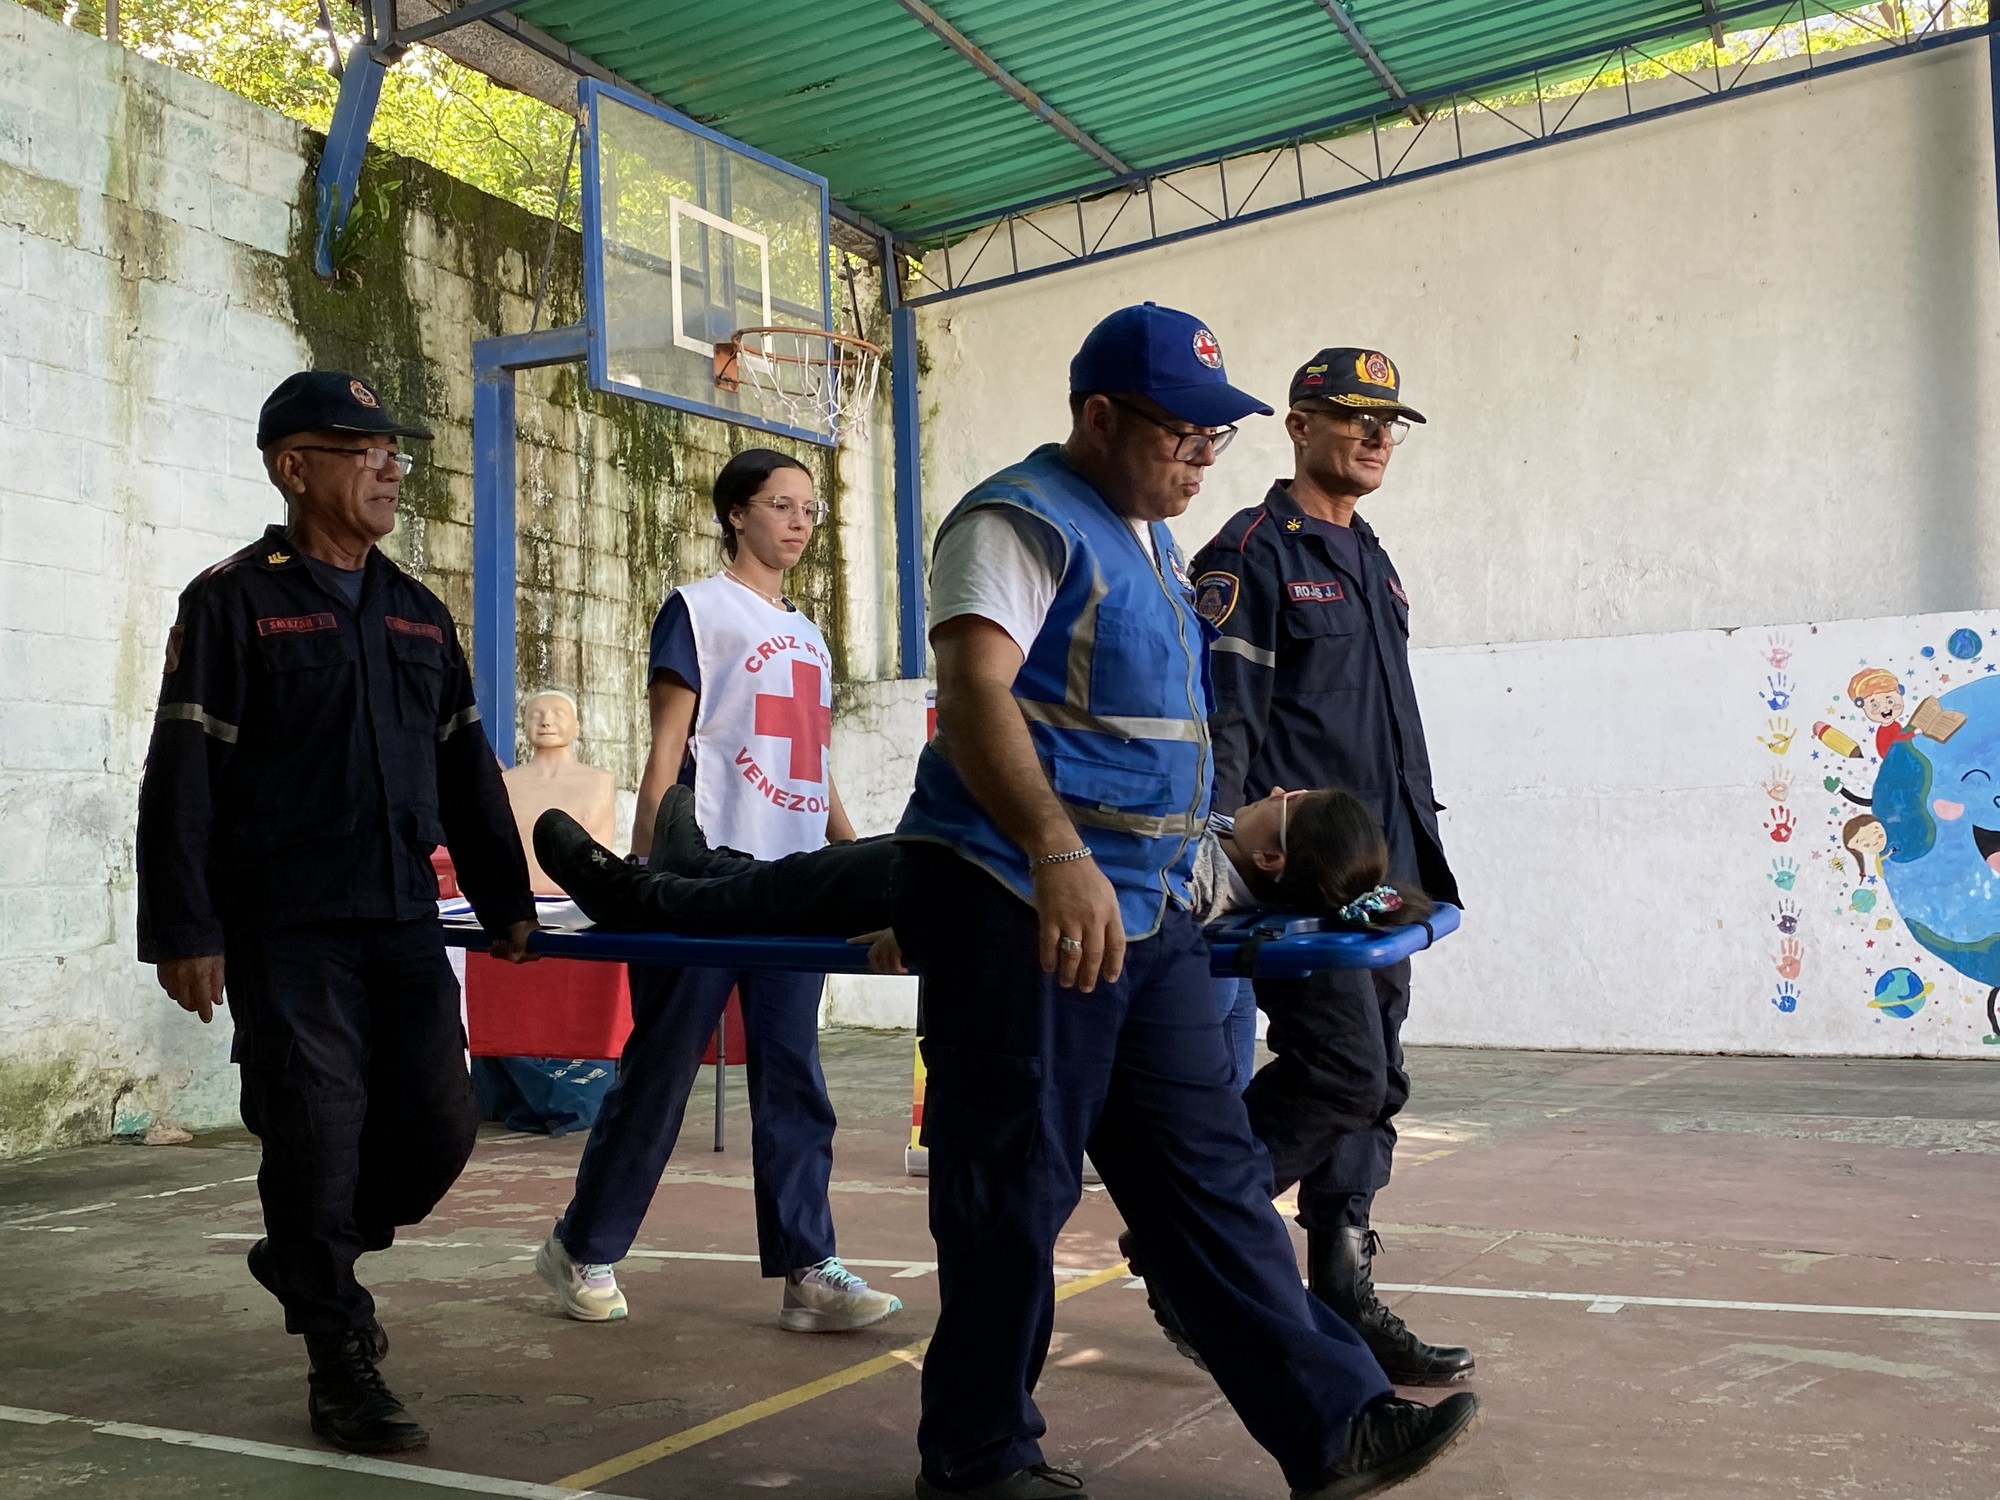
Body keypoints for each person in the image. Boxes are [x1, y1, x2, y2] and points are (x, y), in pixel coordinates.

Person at [890, 304, 1479, 1500]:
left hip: (1143, 913)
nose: (1201, 455)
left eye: (1216, 435)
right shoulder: (1022, 519)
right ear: (1098, 416)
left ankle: (1335, 1427)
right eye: (1180, 433)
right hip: (1022, 903)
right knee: (1011, 1190)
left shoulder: (1152, 542)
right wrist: (1056, 856)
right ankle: (977, 1458)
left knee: (1208, 1182)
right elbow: (974, 691)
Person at [135, 371, 537, 1455]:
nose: (388, 465)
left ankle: (308, 1250)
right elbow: (182, 774)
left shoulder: (415, 609)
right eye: (359, 448)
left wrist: (506, 899)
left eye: (391, 448)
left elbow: (467, 767)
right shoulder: (232, 600)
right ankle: (338, 1352)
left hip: (402, 913)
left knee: (441, 1127)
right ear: (292, 466)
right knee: (314, 1127)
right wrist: (186, 926)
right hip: (285, 923)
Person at [535, 448, 900, 1336]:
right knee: (659, 1074)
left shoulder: (810, 635)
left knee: (794, 1080)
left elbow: (810, 763)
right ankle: (583, 1246)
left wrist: (855, 857)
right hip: (705, 878)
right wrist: (641, 874)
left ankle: (808, 1269)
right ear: (736, 513)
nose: (801, 522)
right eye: (782, 505)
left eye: (810, 509)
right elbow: (669, 749)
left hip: (797, 886)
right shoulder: (698, 611)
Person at [1189, 348, 1474, 1387]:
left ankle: (1342, 1290)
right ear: (1298, 426)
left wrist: (1411, 864)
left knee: (1375, 1080)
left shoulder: (1372, 558)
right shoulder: (1250, 553)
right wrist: (1217, 864)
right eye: (1352, 418)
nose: (1374, 436)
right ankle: (1190, 1249)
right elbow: (1224, 722)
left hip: (1378, 871)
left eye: (1387, 422)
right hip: (1299, 876)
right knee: (1340, 1072)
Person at [531, 783, 1404, 951]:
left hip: (946, 879)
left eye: (1286, 801)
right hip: (949, 860)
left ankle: (631, 891)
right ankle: (697, 863)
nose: (1277, 786)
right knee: (778, 885)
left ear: (1273, 854)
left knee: (769, 901)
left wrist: (926, 930)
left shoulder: (1186, 873)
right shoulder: (1219, 859)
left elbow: (1048, 895)